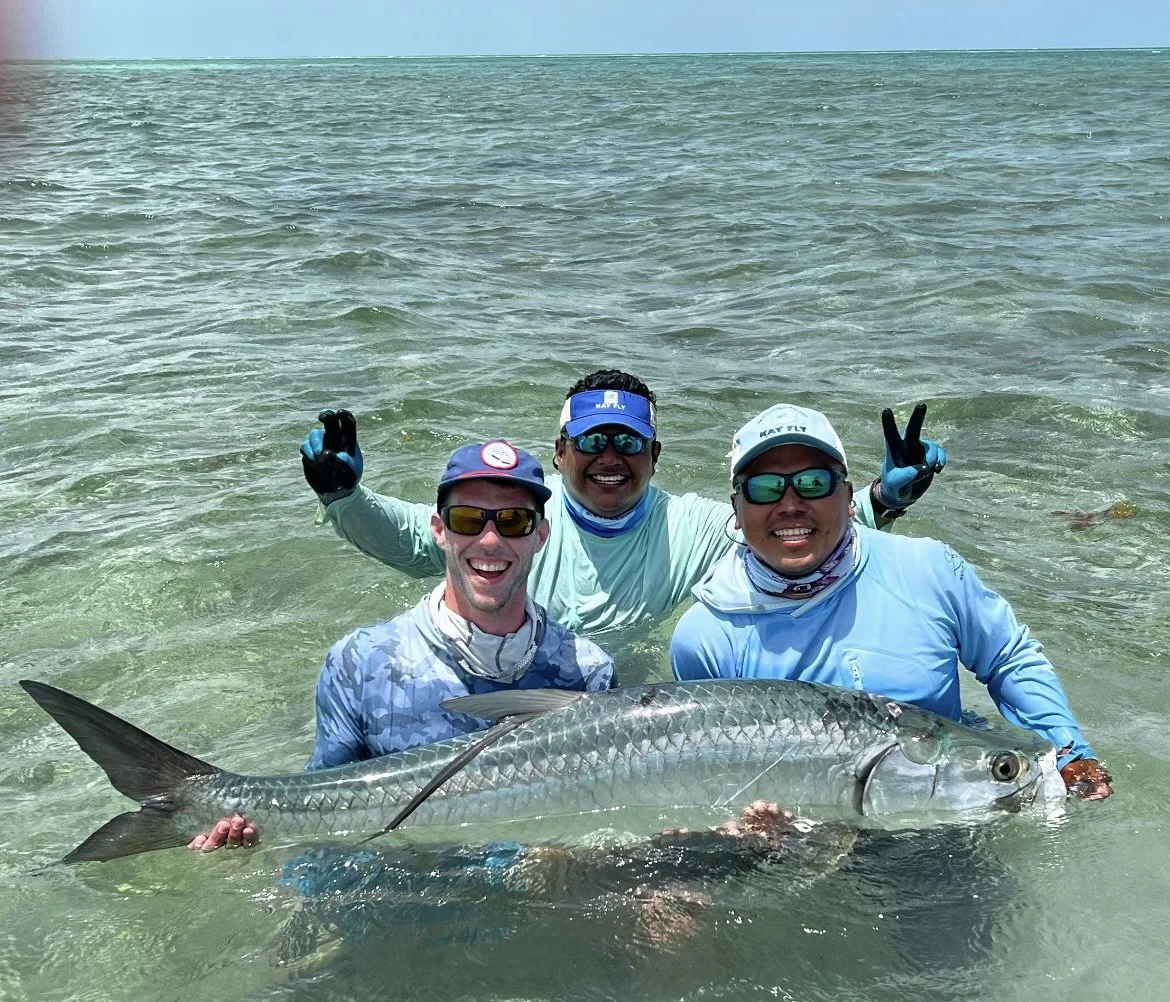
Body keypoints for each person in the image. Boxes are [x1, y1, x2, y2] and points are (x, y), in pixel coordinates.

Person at [669, 403, 1112, 800]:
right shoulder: (707, 636)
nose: (791, 504)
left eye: (812, 482)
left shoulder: (928, 569)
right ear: (736, 507)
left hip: (948, 801)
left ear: (847, 494)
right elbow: (707, 770)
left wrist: (1069, 752)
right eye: (765, 488)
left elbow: (1008, 659)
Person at [190, 439, 616, 850]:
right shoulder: (359, 662)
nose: (490, 540)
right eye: (468, 519)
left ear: (540, 535)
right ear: (439, 530)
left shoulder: (588, 672)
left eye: (513, 522)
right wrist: (247, 831)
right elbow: (318, 806)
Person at [299, 370, 947, 633]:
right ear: (559, 453)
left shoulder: (686, 526)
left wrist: (880, 499)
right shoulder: (519, 518)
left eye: (630, 443)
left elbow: (779, 528)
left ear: (655, 457)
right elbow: (419, 539)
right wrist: (344, 496)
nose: (611, 456)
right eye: (593, 441)